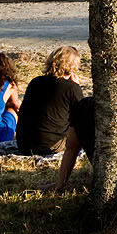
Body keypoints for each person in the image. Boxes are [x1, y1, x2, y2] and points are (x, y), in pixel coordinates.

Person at [19, 46, 97, 190]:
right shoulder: (71, 88)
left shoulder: (35, 82)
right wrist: (76, 87)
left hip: (24, 144)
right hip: (51, 145)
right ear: (74, 66)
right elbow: (82, 116)